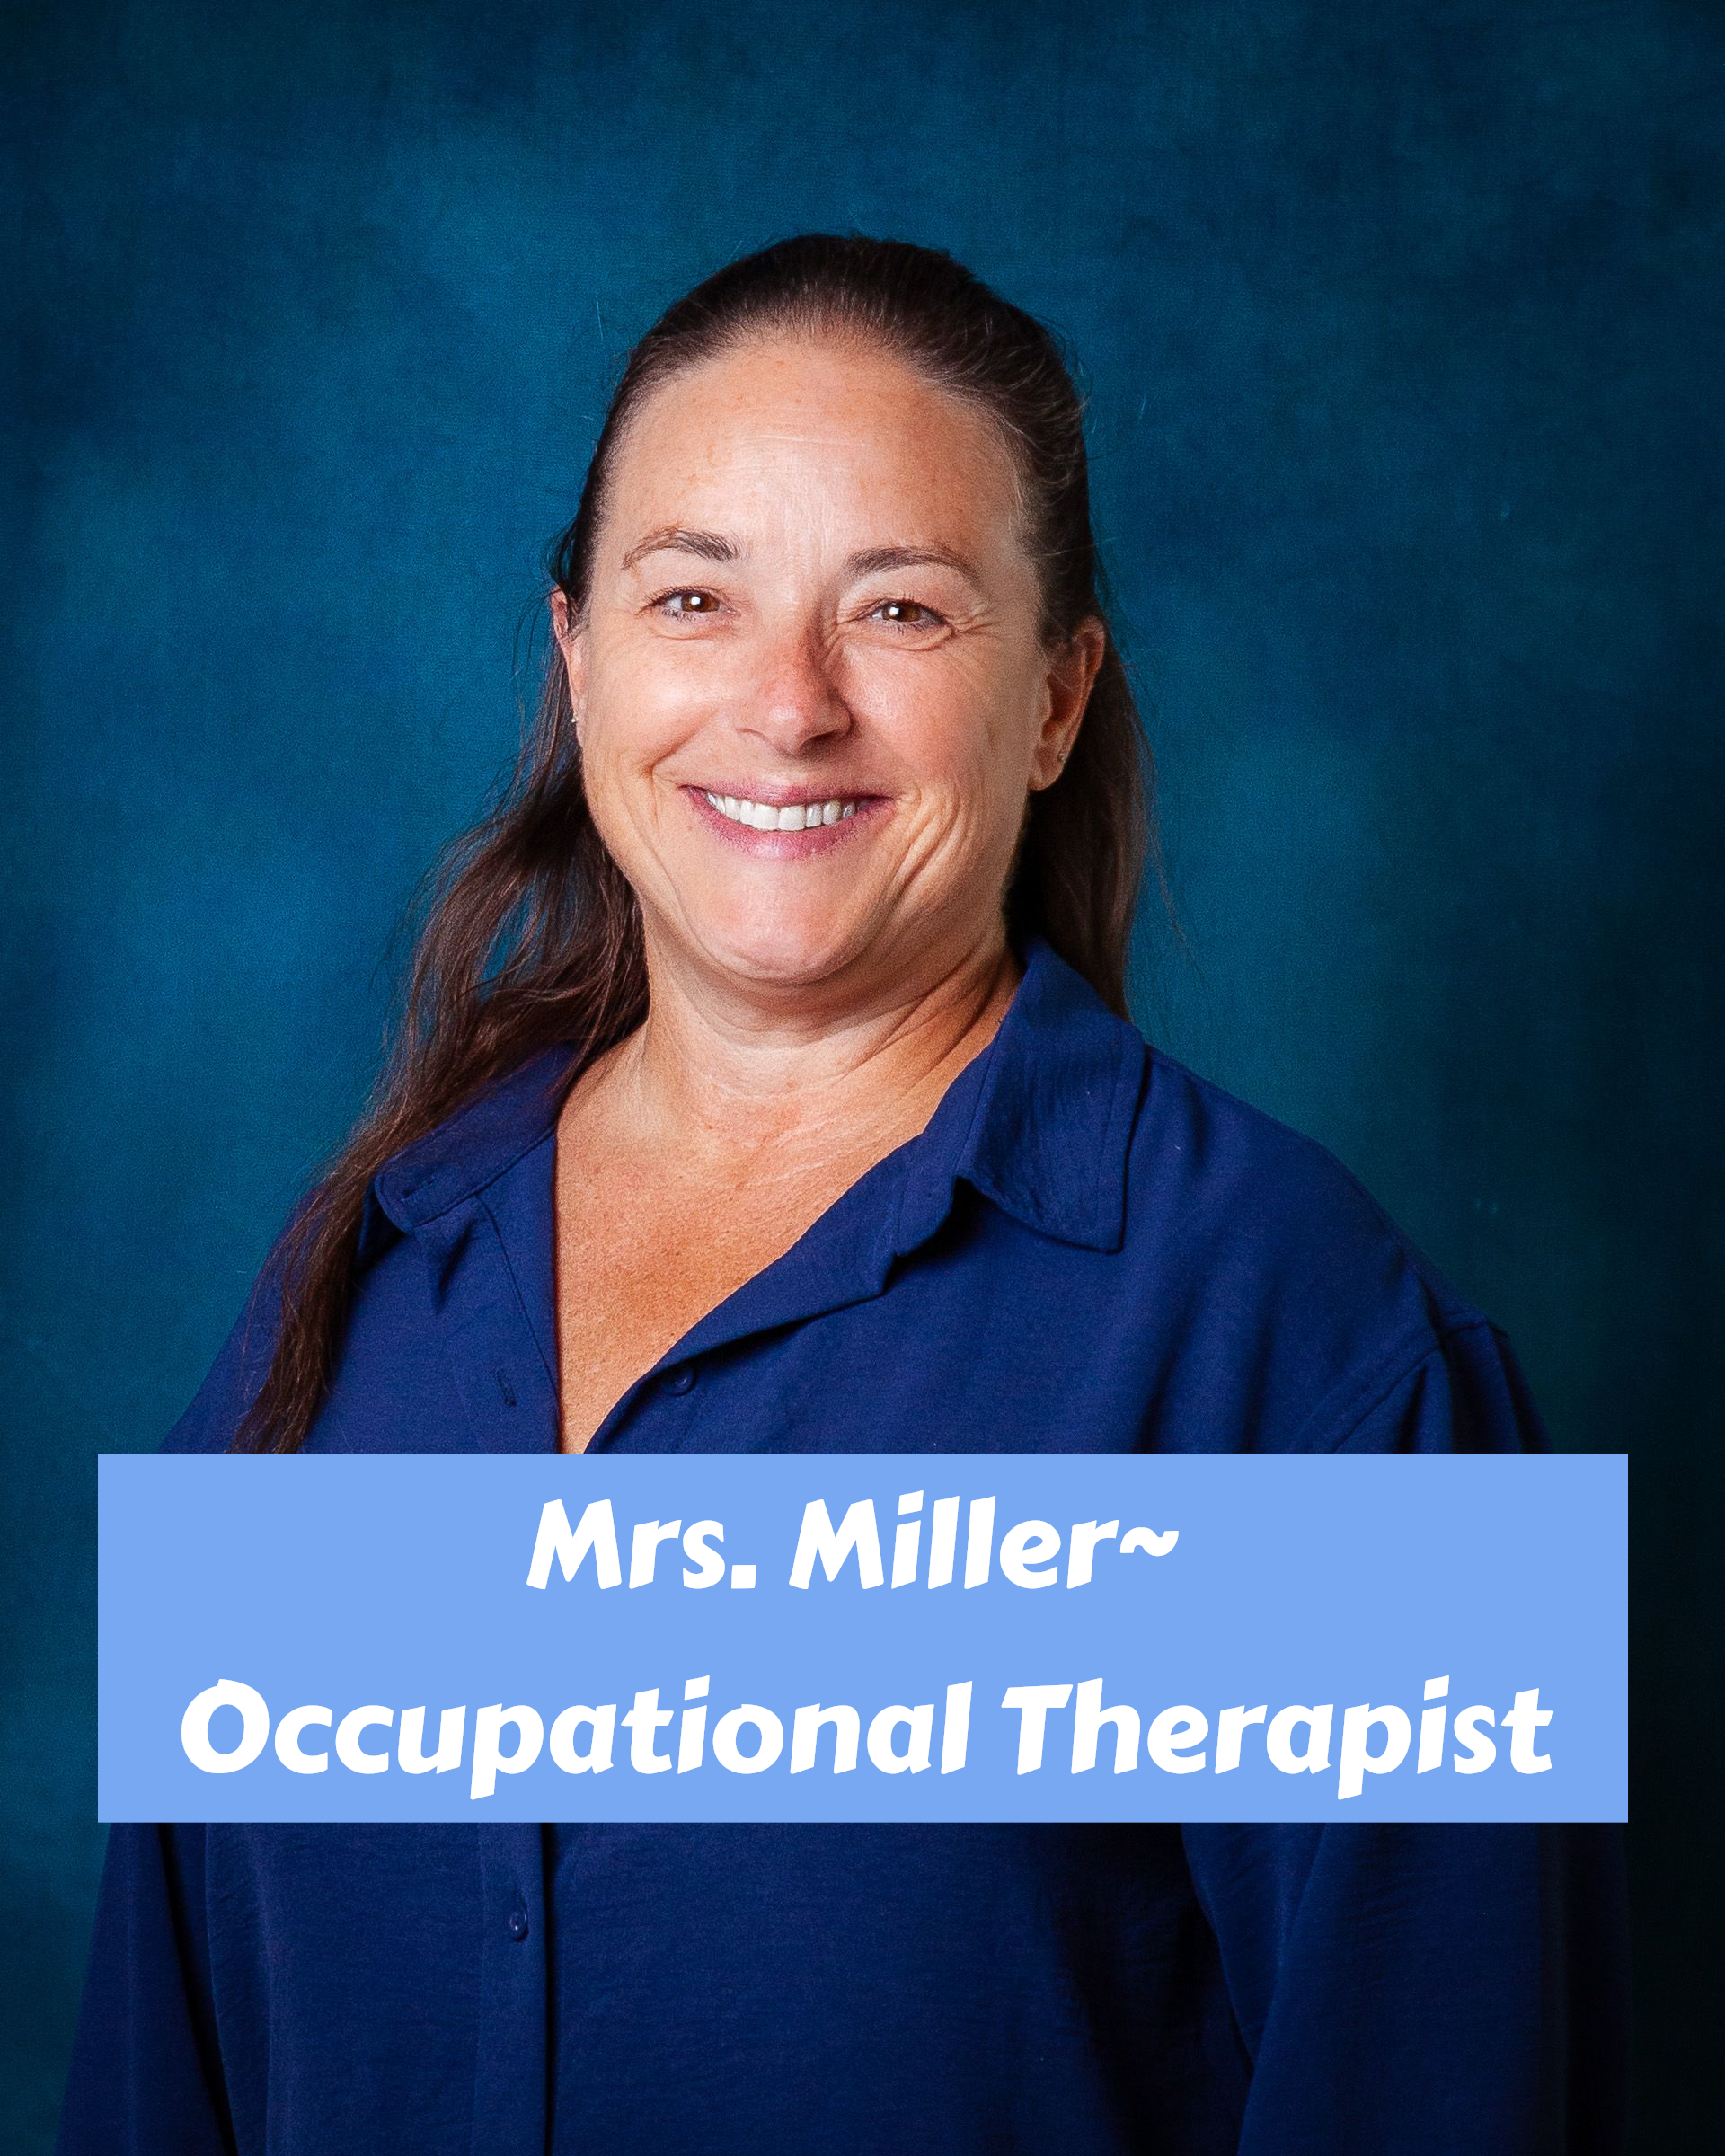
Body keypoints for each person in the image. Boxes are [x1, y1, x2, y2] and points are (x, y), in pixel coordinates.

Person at [58, 234, 1628, 2155]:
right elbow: (160, 2082)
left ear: (1056, 702)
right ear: (578, 656)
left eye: (899, 612)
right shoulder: (352, 1285)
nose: (787, 704)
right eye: (696, 594)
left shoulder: (1333, 1367)